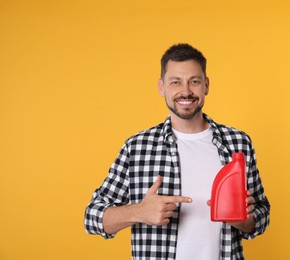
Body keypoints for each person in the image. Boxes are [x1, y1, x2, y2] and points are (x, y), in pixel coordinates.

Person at [84, 43, 270, 260]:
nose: (186, 91)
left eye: (194, 81)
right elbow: (92, 217)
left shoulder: (238, 143)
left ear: (206, 86)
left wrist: (243, 220)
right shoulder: (136, 148)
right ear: (162, 87)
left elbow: (261, 213)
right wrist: (139, 212)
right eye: (176, 82)